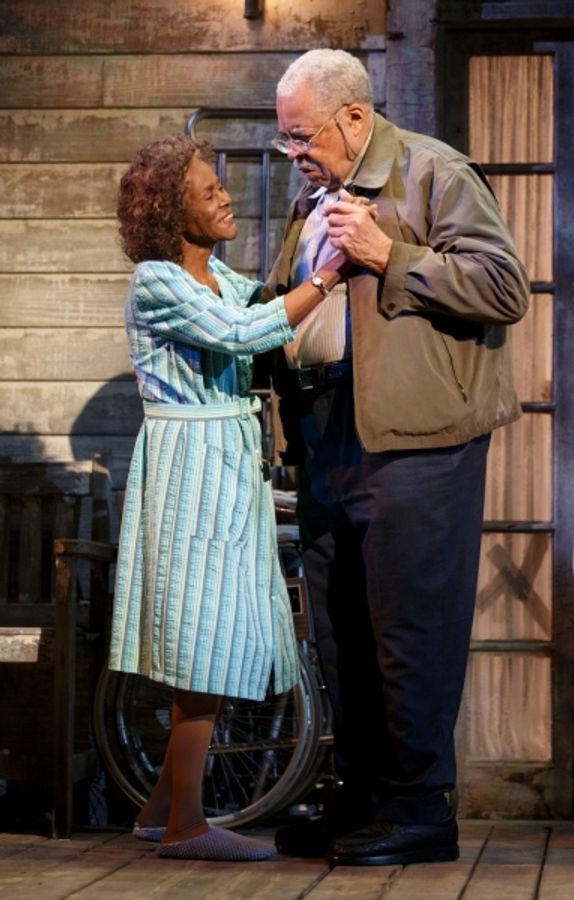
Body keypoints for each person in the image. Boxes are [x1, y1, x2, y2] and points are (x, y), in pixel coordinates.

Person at [266, 49, 530, 866]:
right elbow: (289, 299)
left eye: (302, 136)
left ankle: (422, 809)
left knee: (409, 629)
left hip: (419, 441)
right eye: (286, 142)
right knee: (343, 629)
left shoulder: (432, 171)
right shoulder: (314, 193)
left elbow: (504, 288)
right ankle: (364, 796)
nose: (296, 154)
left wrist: (391, 257)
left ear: (353, 117)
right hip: (329, 432)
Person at [108, 133, 351, 861]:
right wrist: (330, 278)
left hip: (227, 462)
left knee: (208, 634)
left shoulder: (218, 275)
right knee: (199, 641)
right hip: (190, 466)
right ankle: (187, 826)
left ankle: (159, 811)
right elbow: (246, 334)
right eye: (207, 188)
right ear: (167, 209)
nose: (224, 195)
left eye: (220, 185)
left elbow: (267, 305)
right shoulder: (159, 282)